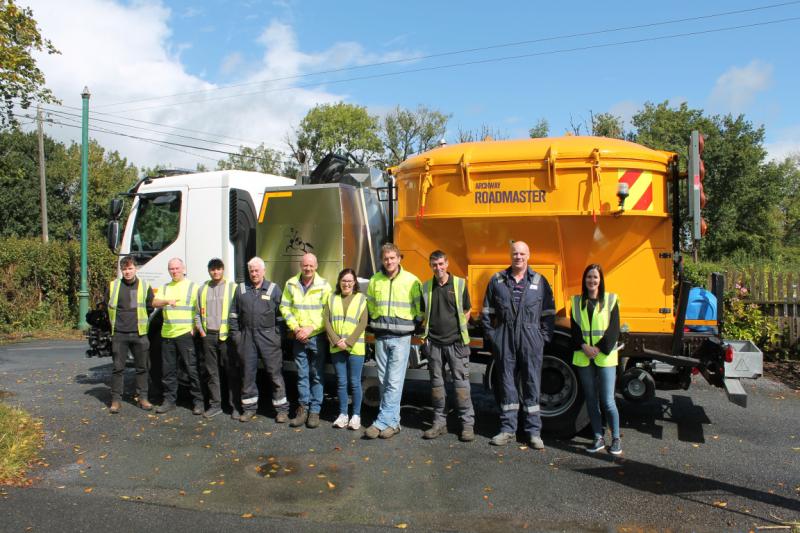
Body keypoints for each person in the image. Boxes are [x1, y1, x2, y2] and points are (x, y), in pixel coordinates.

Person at [481, 241, 555, 449]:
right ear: (510, 256)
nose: (518, 257)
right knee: (506, 384)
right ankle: (507, 430)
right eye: (515, 253)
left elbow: (549, 313)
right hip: (504, 336)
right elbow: (487, 313)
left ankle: (533, 433)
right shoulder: (497, 280)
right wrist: (493, 337)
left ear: (529, 255)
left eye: (522, 253)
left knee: (532, 383)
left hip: (530, 337)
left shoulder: (540, 282)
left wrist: (543, 338)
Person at [364, 243, 422, 440]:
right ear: (382, 260)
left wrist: (413, 323)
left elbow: (419, 308)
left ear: (399, 258)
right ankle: (394, 422)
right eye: (386, 258)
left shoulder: (412, 280)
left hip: (401, 337)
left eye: (392, 258)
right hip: (381, 336)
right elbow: (370, 304)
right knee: (383, 380)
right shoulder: (375, 280)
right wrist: (375, 321)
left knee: (394, 382)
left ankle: (381, 421)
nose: (389, 261)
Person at [420, 250, 475, 442]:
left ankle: (467, 426)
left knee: (461, 386)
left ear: (447, 263)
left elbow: (467, 309)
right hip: (434, 344)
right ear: (430, 266)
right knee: (437, 386)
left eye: (441, 264)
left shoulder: (459, 284)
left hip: (456, 343)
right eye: (434, 265)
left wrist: (459, 329)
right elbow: (422, 313)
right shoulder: (426, 287)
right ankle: (439, 423)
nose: (438, 268)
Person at [229, 257, 289, 423]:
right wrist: (236, 335)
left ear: (264, 271)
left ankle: (282, 410)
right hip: (246, 337)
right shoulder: (241, 289)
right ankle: (249, 408)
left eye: (257, 270)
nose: (254, 273)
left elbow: (282, 316)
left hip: (268, 337)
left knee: (274, 374)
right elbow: (233, 314)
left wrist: (278, 336)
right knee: (248, 374)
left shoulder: (273, 289)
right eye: (251, 271)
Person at [571, 264, 622, 455]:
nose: (592, 281)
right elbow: (575, 330)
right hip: (584, 355)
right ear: (584, 280)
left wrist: (598, 348)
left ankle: (616, 438)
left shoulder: (610, 300)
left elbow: (614, 330)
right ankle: (598, 437)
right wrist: (584, 347)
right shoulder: (576, 302)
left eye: (595, 277)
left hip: (605, 356)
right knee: (591, 400)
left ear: (600, 280)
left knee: (608, 401)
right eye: (588, 277)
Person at [279, 253, 332, 429]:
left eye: (311, 265)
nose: (308, 268)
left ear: (316, 266)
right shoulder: (290, 283)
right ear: (300, 266)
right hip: (298, 336)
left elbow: (328, 312)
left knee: (317, 375)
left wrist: (311, 328)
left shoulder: (324, 285)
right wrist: (295, 328)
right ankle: (303, 409)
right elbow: (284, 307)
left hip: (316, 336)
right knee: (302, 375)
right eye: (305, 265)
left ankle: (315, 412)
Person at [152, 258, 203, 415]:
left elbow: (199, 309)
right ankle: (169, 401)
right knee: (168, 371)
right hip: (167, 334)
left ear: (183, 268)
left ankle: (198, 403)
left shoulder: (193, 287)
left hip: (185, 334)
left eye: (176, 268)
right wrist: (167, 301)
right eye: (171, 269)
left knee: (191, 369)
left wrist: (195, 327)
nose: (174, 271)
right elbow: (154, 302)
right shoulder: (165, 287)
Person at [105, 256, 154, 413]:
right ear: (121, 271)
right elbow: (108, 306)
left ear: (136, 269)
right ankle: (116, 401)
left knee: (142, 368)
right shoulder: (113, 286)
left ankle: (143, 398)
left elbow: (149, 307)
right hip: (119, 333)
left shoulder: (145, 286)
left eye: (130, 268)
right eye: (124, 269)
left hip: (139, 333)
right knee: (118, 368)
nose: (127, 272)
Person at [324, 268, 368, 430]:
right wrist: (336, 341)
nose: (346, 284)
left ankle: (356, 416)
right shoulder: (331, 298)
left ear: (354, 282)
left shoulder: (361, 298)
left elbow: (363, 323)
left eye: (350, 281)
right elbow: (326, 321)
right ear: (339, 282)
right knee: (341, 383)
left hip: (355, 347)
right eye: (344, 280)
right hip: (337, 347)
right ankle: (343, 414)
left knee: (355, 383)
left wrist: (348, 342)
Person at [194, 258, 238, 419]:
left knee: (231, 372)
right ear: (209, 271)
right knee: (212, 373)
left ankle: (235, 406)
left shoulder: (232, 288)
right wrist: (202, 332)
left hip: (226, 336)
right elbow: (197, 314)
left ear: (223, 270)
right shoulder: (203, 289)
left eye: (218, 269)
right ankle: (215, 405)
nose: (216, 272)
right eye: (212, 269)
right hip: (209, 336)